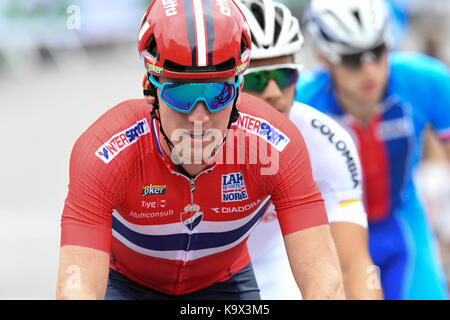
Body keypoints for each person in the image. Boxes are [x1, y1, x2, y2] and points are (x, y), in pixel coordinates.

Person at [56, 0, 345, 300]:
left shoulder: (276, 145)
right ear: (150, 90)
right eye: (181, 94)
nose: (199, 118)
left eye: (217, 93)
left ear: (238, 90)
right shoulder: (105, 153)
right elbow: (75, 292)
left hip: (223, 285)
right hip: (125, 285)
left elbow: (324, 285)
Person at [296, 0, 450, 300]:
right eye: (353, 59)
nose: (369, 69)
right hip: (332, 232)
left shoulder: (427, 80)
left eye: (379, 52)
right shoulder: (302, 102)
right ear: (324, 59)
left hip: (402, 222)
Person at [237, 0, 382, 300]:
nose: (274, 92)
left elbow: (353, 265)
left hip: (274, 265)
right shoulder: (195, 139)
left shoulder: (326, 141)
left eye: (284, 76)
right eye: (257, 79)